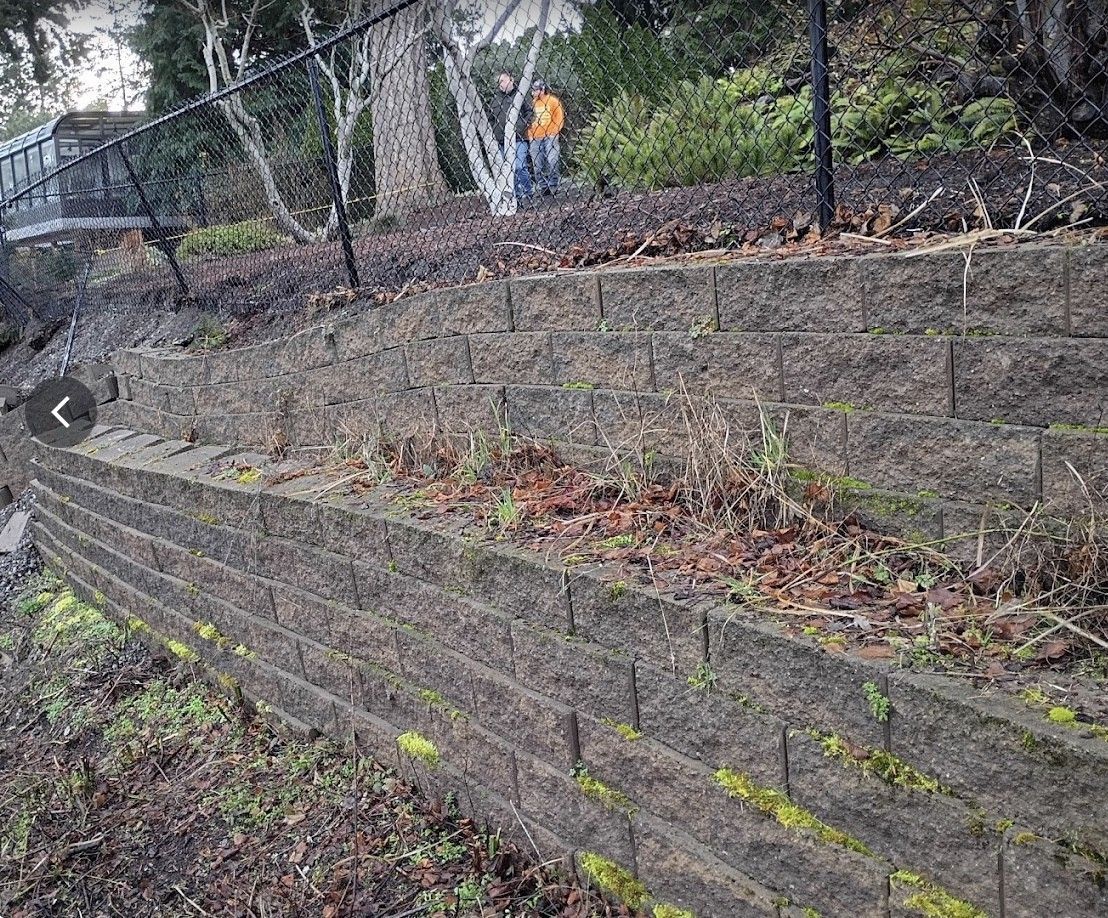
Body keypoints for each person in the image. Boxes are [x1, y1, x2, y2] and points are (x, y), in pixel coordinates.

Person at [491, 70, 534, 202]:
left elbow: (530, 113)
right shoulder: (495, 99)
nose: (501, 84)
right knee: (509, 170)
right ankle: (518, 196)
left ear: (511, 80)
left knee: (520, 166)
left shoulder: (520, 96)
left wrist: (521, 126)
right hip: (502, 140)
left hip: (519, 138)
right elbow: (490, 118)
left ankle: (528, 192)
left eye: (503, 81)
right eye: (499, 82)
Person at [527, 79, 564, 196]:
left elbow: (559, 117)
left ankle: (553, 185)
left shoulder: (552, 101)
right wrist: (529, 134)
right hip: (535, 136)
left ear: (542, 90)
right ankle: (543, 186)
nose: (533, 93)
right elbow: (527, 119)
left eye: (536, 90)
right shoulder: (531, 103)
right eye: (533, 90)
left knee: (552, 160)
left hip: (550, 135)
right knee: (537, 163)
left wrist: (554, 131)